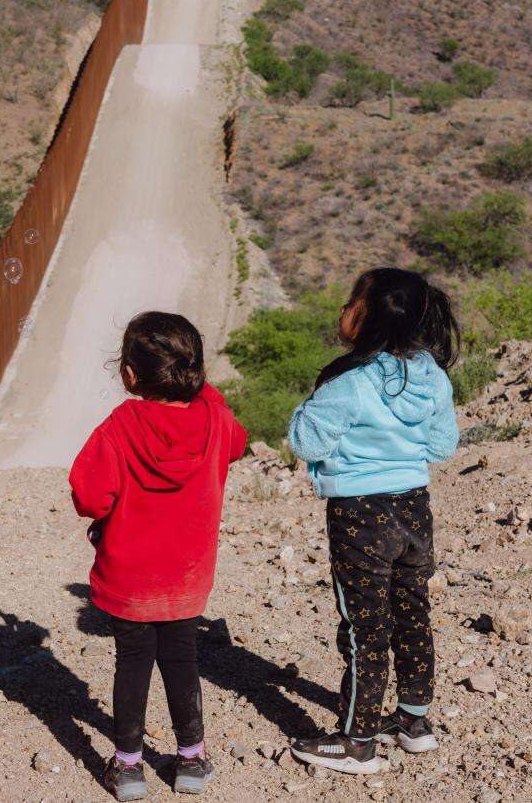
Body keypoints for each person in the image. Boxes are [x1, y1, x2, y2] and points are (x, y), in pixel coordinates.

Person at [286, 268, 460, 775]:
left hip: (360, 514)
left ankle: (357, 740)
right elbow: (442, 446)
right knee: (413, 612)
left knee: (366, 628)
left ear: (367, 317)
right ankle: (413, 722)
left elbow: (305, 442)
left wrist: (312, 408)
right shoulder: (433, 376)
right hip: (414, 507)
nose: (343, 309)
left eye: (350, 301)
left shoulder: (350, 383)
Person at [69, 312, 247, 801]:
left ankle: (127, 767)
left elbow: (89, 496)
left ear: (129, 373)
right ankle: (191, 759)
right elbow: (238, 443)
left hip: (129, 577)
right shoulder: (215, 420)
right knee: (182, 658)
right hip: (187, 577)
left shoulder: (121, 425)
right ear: (194, 369)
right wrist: (203, 389)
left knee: (132, 663)